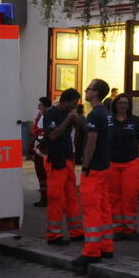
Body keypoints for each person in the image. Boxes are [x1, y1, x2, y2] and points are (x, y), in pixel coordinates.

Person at [71, 79, 116, 269]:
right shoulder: (105, 114)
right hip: (104, 167)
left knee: (91, 210)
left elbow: (91, 143)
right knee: (104, 207)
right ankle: (106, 246)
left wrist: (85, 166)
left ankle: (91, 251)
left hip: (95, 169)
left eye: (89, 89)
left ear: (96, 93)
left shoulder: (94, 115)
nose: (86, 91)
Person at [42, 88, 84, 245]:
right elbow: (53, 135)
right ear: (65, 101)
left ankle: (76, 232)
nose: (74, 107)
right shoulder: (51, 113)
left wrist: (76, 118)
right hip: (55, 160)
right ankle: (54, 235)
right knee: (56, 198)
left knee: (72, 196)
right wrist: (68, 120)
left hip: (67, 159)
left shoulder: (70, 113)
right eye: (73, 104)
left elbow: (81, 128)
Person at [108, 93, 139, 241]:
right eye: (120, 102)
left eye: (125, 103)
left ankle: (130, 229)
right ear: (115, 105)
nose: (123, 105)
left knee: (130, 196)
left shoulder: (134, 121)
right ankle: (117, 228)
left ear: (129, 105)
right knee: (114, 197)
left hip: (130, 163)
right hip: (112, 163)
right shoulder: (109, 120)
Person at [29, 96, 50, 207]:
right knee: (42, 176)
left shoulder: (45, 116)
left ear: (45, 106)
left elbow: (40, 132)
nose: (38, 106)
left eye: (40, 104)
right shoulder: (42, 115)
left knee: (43, 175)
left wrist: (34, 132)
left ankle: (45, 199)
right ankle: (44, 197)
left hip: (41, 151)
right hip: (39, 149)